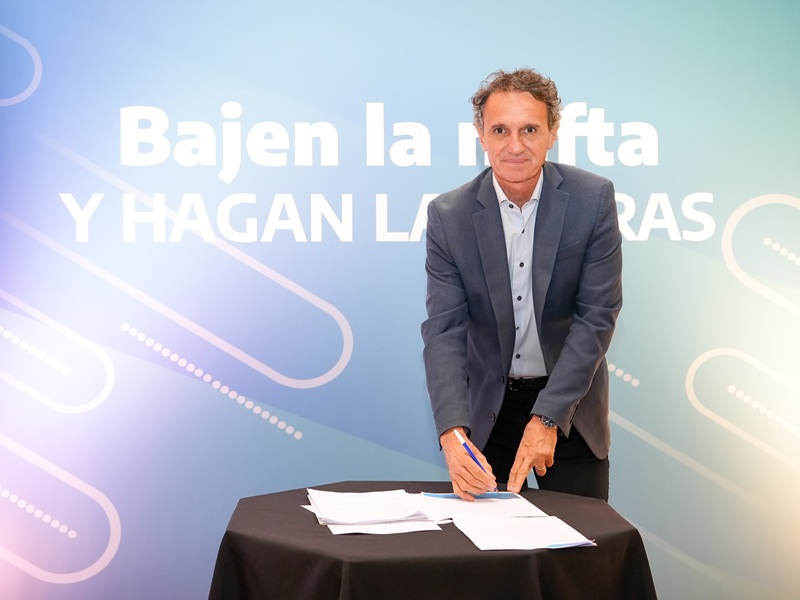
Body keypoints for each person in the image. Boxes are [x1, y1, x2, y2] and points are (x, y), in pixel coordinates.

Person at [421, 68, 622, 502]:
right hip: (486, 416)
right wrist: (452, 432)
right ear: (482, 136)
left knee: (579, 542)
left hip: (569, 406)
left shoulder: (592, 200)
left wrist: (547, 417)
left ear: (552, 133)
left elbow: (596, 317)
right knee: (484, 545)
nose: (515, 146)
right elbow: (444, 332)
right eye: (500, 130)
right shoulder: (449, 216)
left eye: (529, 129)